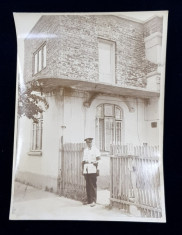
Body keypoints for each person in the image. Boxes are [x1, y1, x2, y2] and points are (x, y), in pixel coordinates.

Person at [82, 137, 101, 207]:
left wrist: (98, 169)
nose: (88, 144)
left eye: (89, 142)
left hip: (93, 168)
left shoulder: (95, 150)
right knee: (87, 185)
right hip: (86, 169)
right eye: (87, 143)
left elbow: (99, 160)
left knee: (93, 185)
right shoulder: (85, 150)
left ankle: (93, 201)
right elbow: (83, 161)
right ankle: (89, 200)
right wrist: (83, 170)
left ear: (92, 142)